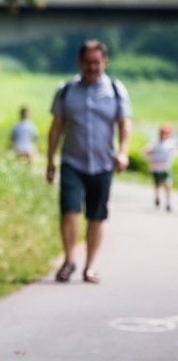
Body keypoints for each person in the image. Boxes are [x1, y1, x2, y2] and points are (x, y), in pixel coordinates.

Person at [46, 39, 133, 284]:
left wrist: (124, 152)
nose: (92, 67)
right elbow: (56, 128)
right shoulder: (66, 90)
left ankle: (90, 266)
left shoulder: (116, 90)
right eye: (87, 62)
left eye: (96, 62)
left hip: (103, 163)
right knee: (69, 210)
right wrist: (51, 160)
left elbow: (124, 124)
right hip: (73, 160)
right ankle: (69, 260)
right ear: (79, 62)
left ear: (104, 61)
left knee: (96, 215)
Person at [144, 123, 176, 212]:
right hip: (155, 168)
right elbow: (145, 152)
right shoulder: (154, 143)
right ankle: (157, 197)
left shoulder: (170, 143)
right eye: (163, 133)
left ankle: (168, 203)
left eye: (167, 133)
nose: (165, 135)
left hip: (165, 168)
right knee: (157, 185)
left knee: (168, 184)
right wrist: (149, 152)